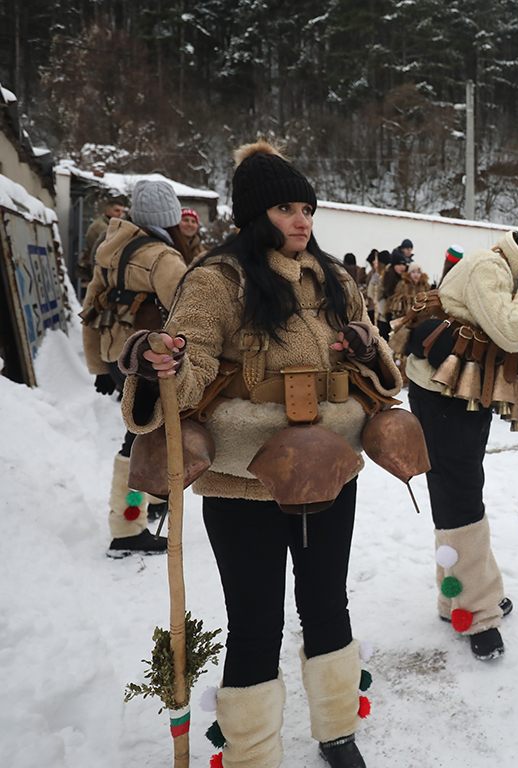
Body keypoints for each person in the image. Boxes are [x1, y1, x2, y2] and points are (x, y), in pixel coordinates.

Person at [119, 141, 403, 768]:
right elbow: (187, 367)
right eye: (285, 207)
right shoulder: (217, 280)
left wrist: (365, 344)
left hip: (329, 468)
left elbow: (385, 366)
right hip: (244, 480)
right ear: (253, 215)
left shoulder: (335, 277)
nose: (303, 220)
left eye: (307, 207)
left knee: (328, 602)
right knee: (256, 621)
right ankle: (252, 754)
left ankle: (336, 729)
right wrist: (155, 360)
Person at [397, 210, 518, 661]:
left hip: (466, 394)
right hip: (444, 395)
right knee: (461, 493)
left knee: (459, 491)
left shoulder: (517, 275)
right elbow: (512, 332)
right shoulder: (489, 267)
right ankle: (477, 609)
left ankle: (457, 596)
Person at [80, 179, 193, 556]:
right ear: (171, 217)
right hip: (148, 363)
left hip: (116, 356)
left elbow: (91, 310)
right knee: (139, 437)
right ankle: (127, 527)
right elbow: (187, 315)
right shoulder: (164, 257)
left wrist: (98, 366)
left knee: (147, 432)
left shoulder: (109, 250)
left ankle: (153, 498)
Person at [79, 196, 127, 296]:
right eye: (117, 211)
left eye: (123, 211)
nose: (121, 214)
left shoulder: (110, 225)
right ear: (107, 212)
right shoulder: (102, 227)